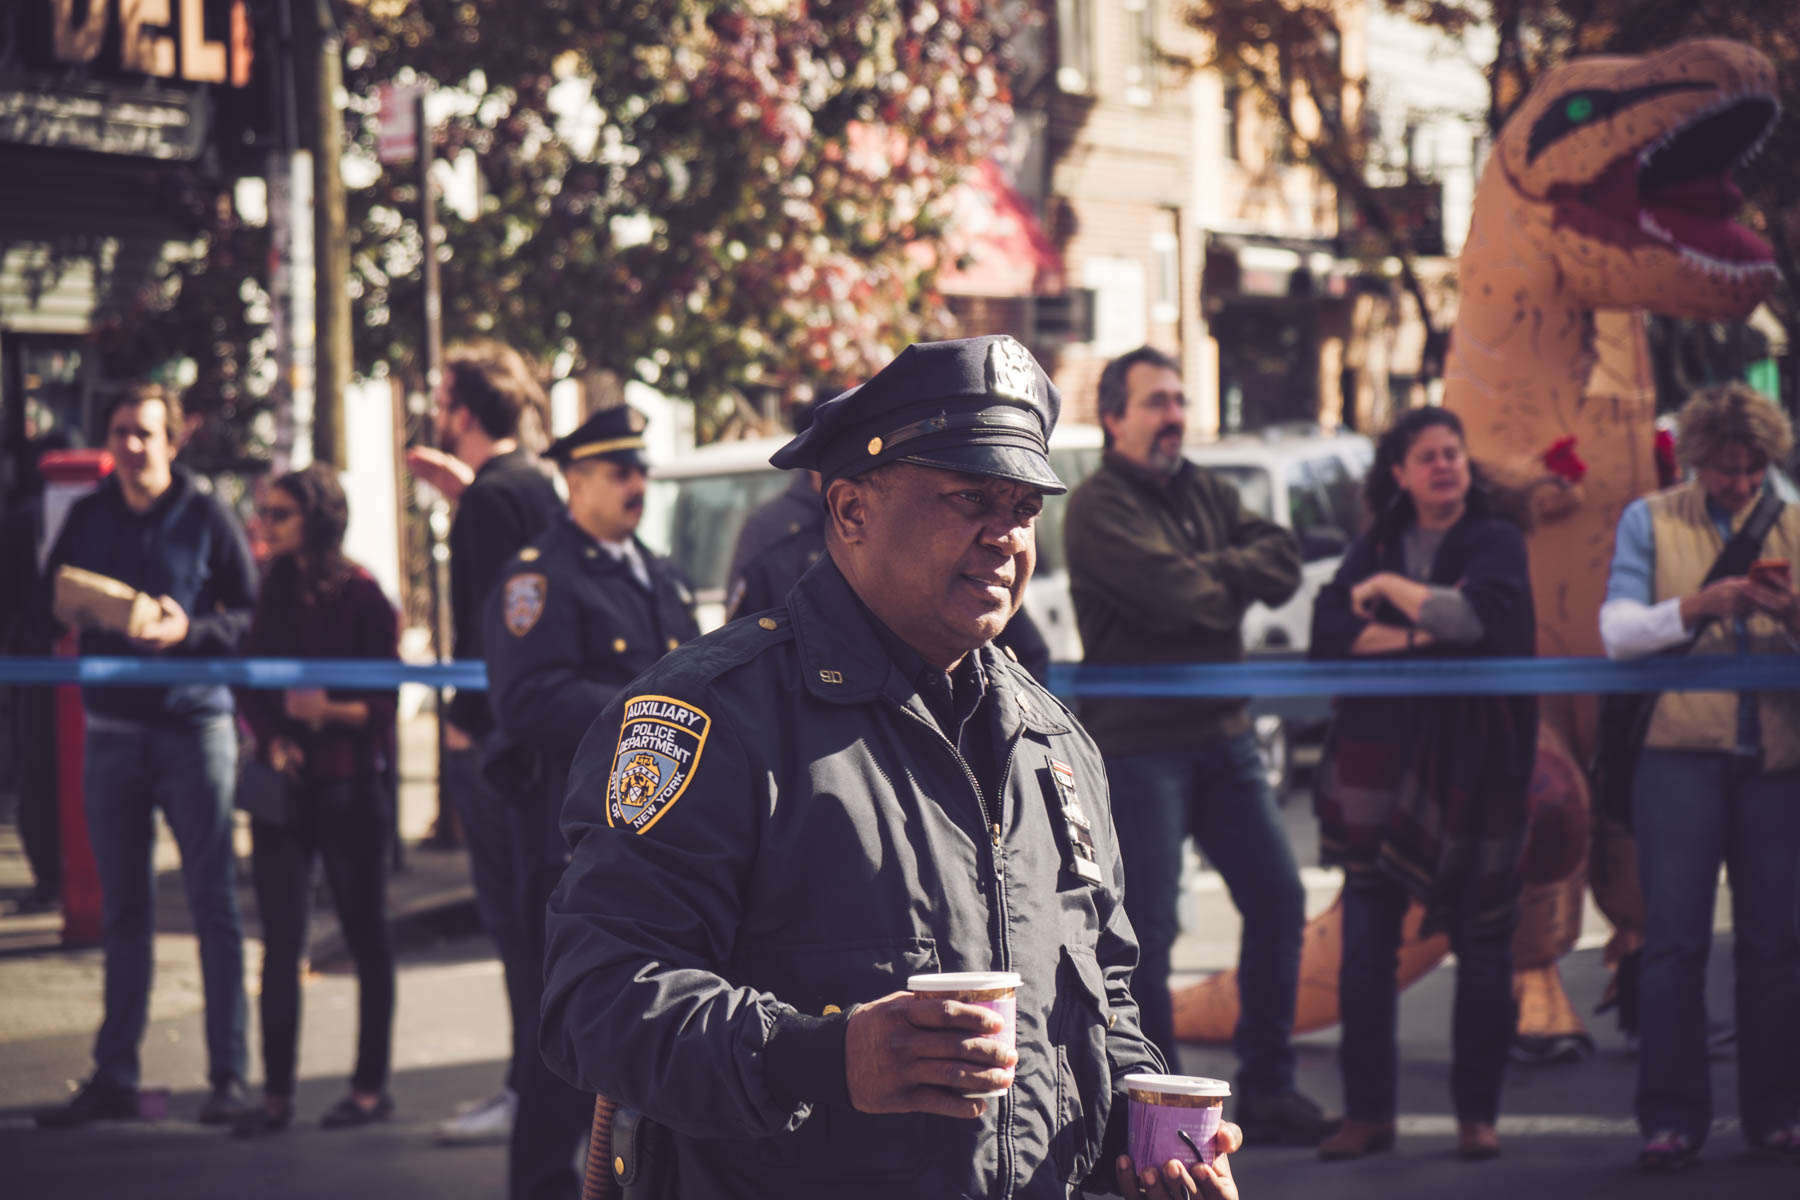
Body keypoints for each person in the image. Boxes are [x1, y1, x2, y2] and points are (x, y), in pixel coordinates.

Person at [539, 335, 1242, 1200]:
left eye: (1024, 507)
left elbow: (1104, 1002)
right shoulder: (714, 717)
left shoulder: (1053, 741)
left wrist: (1146, 1142)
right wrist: (827, 1057)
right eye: (968, 497)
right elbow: (594, 999)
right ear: (850, 511)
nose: (1005, 535)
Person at [1061, 345, 1327, 1145]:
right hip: (1142, 749)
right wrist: (1218, 581)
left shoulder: (1205, 489)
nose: (1175, 415)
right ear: (1113, 418)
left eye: (1179, 400)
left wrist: (1210, 577)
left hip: (1225, 736)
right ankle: (1168, 1114)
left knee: (1279, 898)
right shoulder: (1097, 506)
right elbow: (1185, 600)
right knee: (1148, 935)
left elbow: (1282, 564)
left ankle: (1271, 1087)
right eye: (1156, 402)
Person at [483, 405, 700, 1200]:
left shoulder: (658, 571)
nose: (638, 485)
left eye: (641, 469)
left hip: (660, 844)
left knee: (644, 1041)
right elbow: (527, 700)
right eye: (620, 472)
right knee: (564, 1050)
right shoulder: (541, 577)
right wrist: (649, 711)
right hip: (567, 846)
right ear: (575, 483)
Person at [1308, 406, 1536, 1162]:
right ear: (1399, 474)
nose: (1446, 465)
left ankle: (1479, 1115)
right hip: (1379, 775)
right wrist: (1422, 627)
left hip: (1481, 774)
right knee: (1366, 954)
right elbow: (1328, 635)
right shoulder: (1372, 541)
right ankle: (1368, 1115)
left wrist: (1389, 592)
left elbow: (1481, 622)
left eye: (1454, 452)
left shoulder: (1495, 540)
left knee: (1485, 945)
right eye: (1428, 456)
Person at [36, 383, 259, 1128]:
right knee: (123, 910)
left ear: (173, 440)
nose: (134, 445)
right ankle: (115, 1072)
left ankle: (229, 1075)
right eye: (123, 431)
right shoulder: (90, 516)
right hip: (111, 734)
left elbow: (249, 617)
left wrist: (186, 631)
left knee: (212, 904)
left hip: (194, 730)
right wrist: (72, 606)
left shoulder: (205, 514)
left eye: (147, 433)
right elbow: (47, 596)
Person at [1597, 382, 1800, 1171]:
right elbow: (1615, 632)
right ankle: (1671, 1116)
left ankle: (1778, 1108)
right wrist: (1699, 606)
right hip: (1677, 753)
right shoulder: (1649, 520)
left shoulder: (1792, 519)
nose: (1741, 483)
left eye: (1753, 469)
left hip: (1777, 759)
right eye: (1726, 468)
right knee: (1674, 942)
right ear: (1698, 461)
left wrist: (1787, 615)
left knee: (1774, 944)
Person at [408, 340, 564, 1146]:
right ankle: (548, 1091)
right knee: (543, 922)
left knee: (512, 922)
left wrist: (466, 724)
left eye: (443, 397)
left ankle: (525, 1090)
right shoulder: (537, 483)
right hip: (542, 742)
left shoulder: (485, 503)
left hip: (496, 740)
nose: (437, 410)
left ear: (463, 413)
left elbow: (484, 619)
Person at [231, 465, 401, 1135]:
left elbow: (386, 704)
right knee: (279, 939)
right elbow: (248, 679)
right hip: (286, 780)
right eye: (264, 513)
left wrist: (328, 711)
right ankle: (274, 1095)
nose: (265, 526)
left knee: (367, 932)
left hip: (351, 782)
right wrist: (275, 737)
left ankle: (368, 1087)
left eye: (279, 515)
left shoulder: (363, 595)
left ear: (317, 521)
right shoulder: (270, 589)